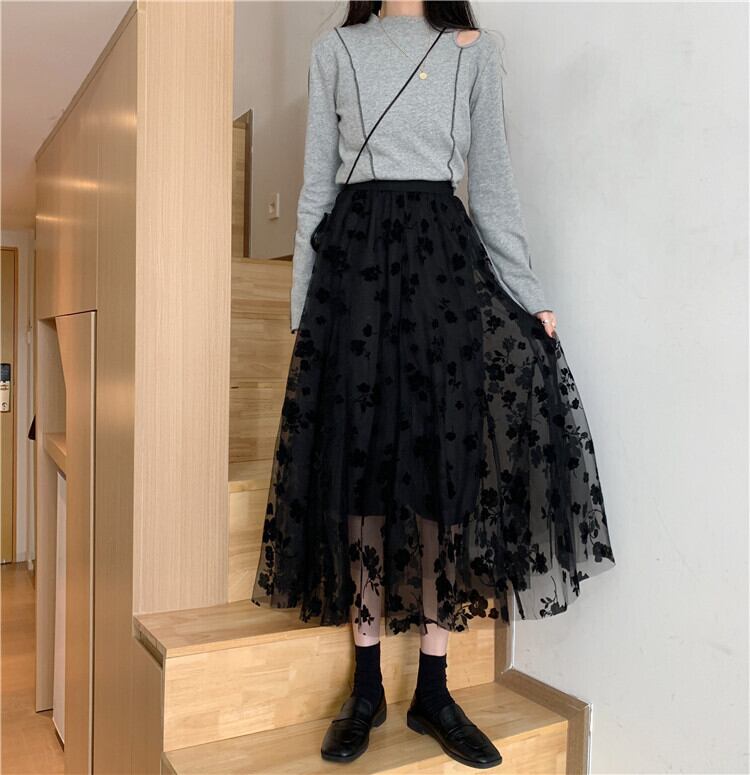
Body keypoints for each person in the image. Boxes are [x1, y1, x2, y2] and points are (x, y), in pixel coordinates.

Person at [251, 0, 616, 768]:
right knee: (361, 478)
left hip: (442, 272)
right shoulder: (336, 51)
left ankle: (435, 688)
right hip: (353, 275)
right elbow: (315, 189)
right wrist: (302, 313)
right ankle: (366, 684)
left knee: (442, 477)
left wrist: (528, 295)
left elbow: (494, 189)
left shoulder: (474, 52)